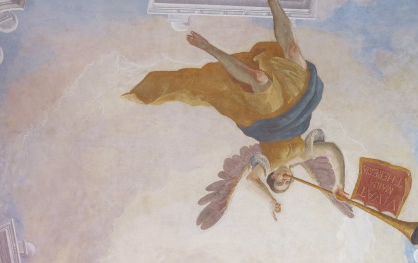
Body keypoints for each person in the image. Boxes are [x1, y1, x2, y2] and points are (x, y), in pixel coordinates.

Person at [125, 0, 347, 218]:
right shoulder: (303, 155)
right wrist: (340, 184)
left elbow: (252, 180)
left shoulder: (268, 165)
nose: (285, 180)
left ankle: (208, 47)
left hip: (272, 119)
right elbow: (333, 150)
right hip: (298, 104)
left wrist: (271, 200)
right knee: (292, 49)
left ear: (272, 178)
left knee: (258, 78)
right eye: (287, 183)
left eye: (280, 183)